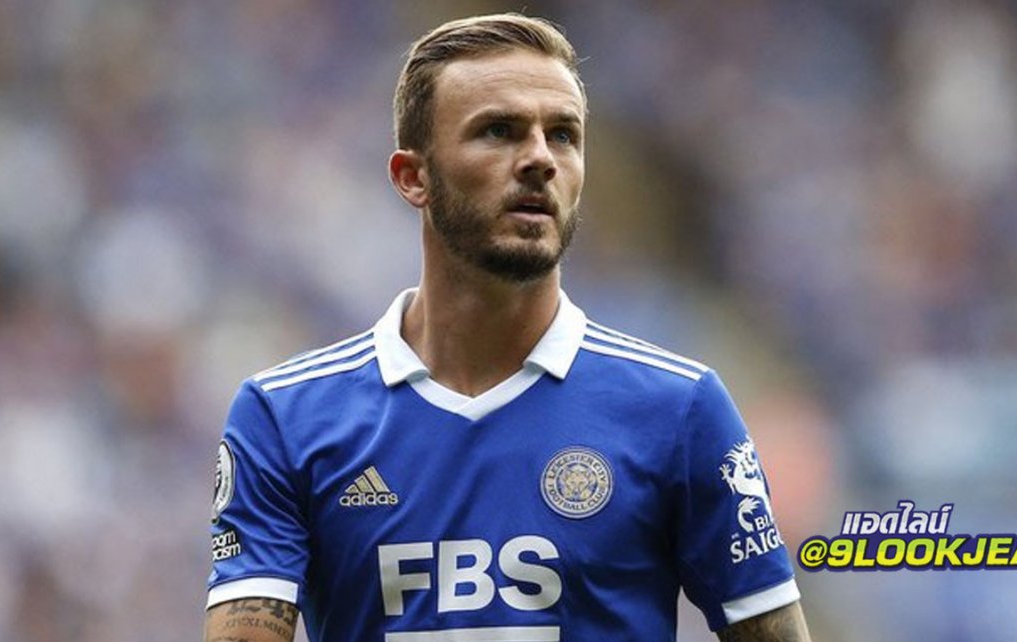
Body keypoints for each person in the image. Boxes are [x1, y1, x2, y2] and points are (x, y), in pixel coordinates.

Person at [204, 13, 811, 642]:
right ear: (413, 177)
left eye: (563, 135)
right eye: (499, 131)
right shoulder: (286, 417)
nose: (541, 159)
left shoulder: (679, 409)